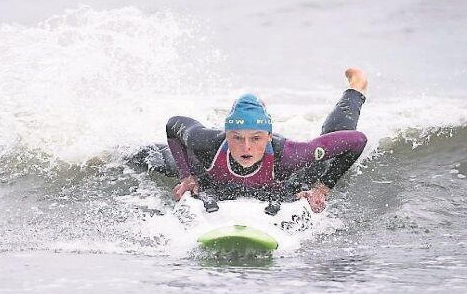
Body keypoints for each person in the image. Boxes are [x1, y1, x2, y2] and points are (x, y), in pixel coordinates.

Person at [132, 68, 368, 213]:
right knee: (155, 159)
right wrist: (186, 177)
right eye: (237, 138)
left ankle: (356, 87)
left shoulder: (289, 155)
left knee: (326, 153)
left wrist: (322, 187)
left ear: (268, 135)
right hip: (215, 178)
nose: (246, 147)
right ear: (226, 135)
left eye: (256, 138)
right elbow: (174, 124)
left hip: (283, 183)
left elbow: (357, 140)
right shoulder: (206, 144)